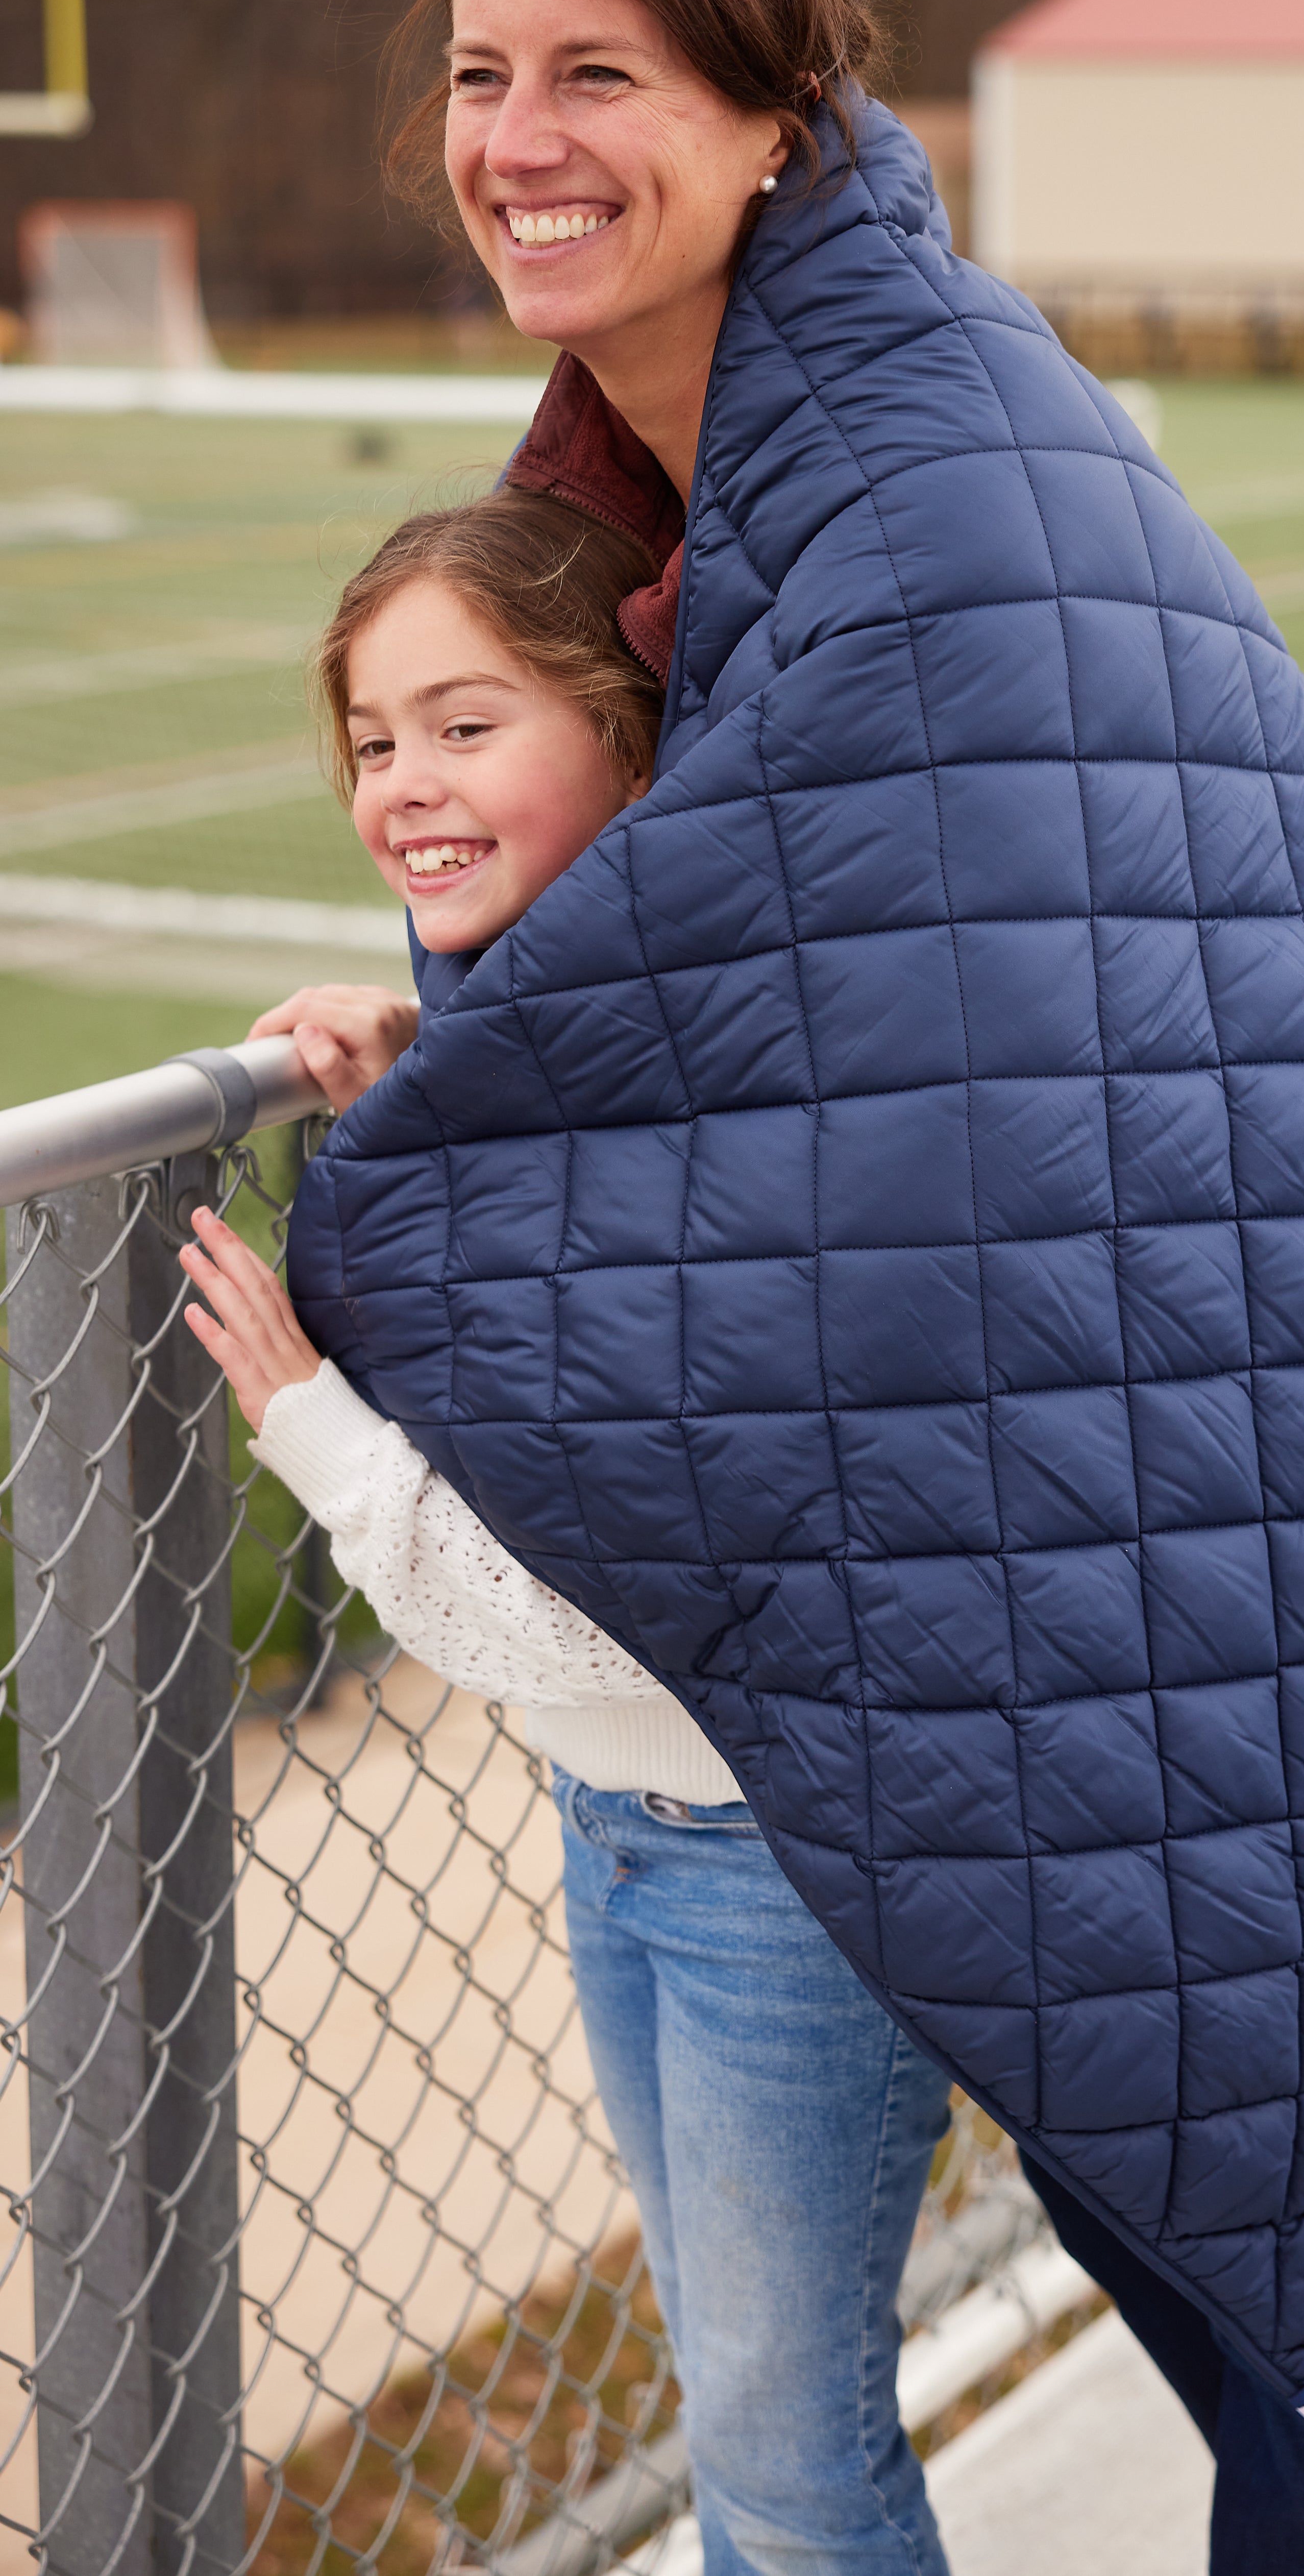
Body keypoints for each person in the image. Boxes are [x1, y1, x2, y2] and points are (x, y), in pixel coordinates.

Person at [274, 0, 1304, 2561]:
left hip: (1257, 1590)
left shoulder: (916, 482)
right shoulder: (738, 482)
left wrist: (460, 1165)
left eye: (600, 73)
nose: (516, 135)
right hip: (1155, 1595)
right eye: (483, 72)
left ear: (774, 112)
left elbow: (917, 1096)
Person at [184, 488, 954, 2576]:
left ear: (622, 732)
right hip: (634, 1828)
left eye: (467, 724)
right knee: (753, 2427)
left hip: (781, 1857)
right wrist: (419, 1073)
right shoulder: (559, 1021)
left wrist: (313, 1428)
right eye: (373, 742)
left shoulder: (712, 1059)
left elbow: (610, 1622)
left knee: (789, 2463)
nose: (405, 787)